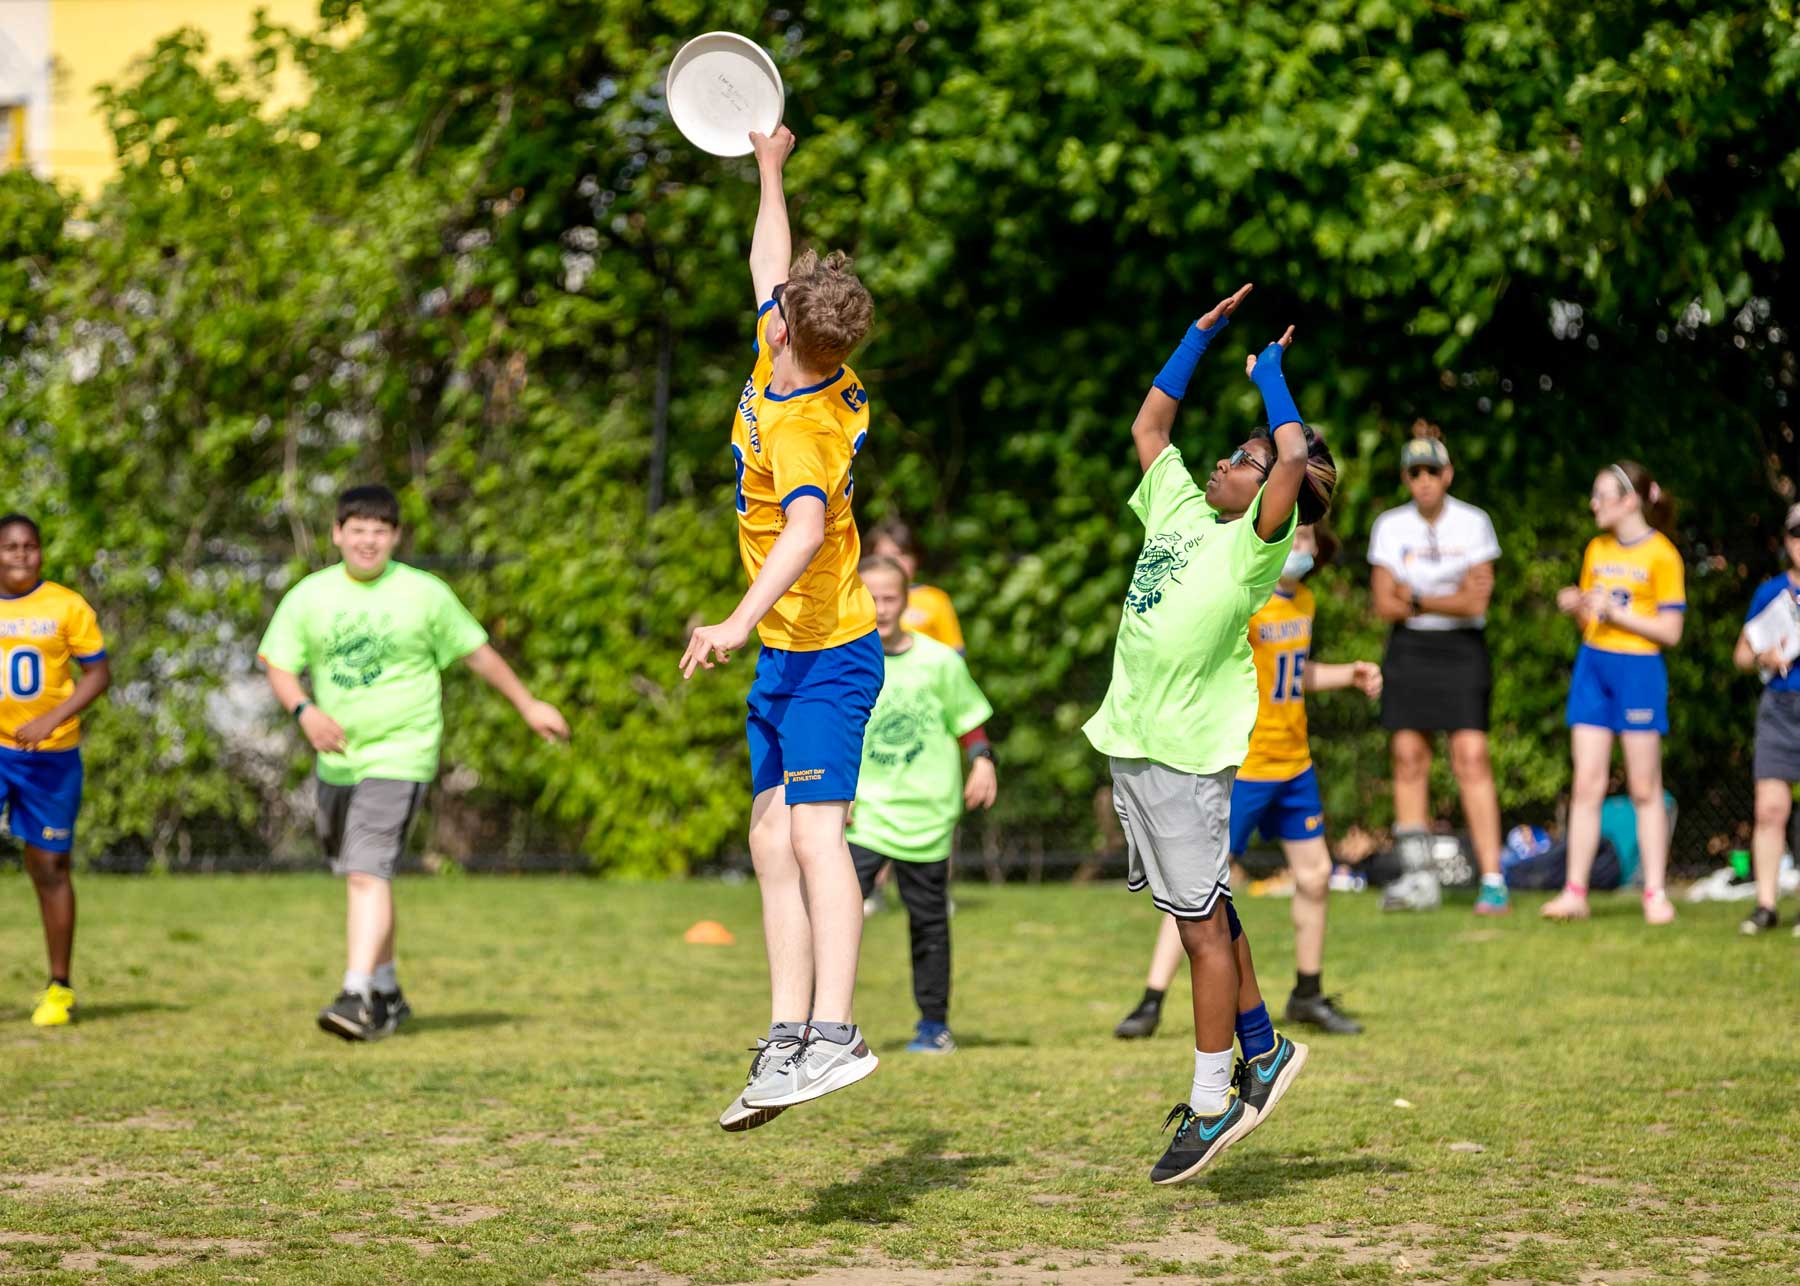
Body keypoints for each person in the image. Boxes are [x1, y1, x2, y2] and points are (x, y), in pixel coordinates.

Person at [1082, 281, 1337, 1184]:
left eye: (1245, 457)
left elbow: (1294, 455)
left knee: (1197, 934)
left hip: (1186, 756)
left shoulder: (1254, 543)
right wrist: (1193, 342)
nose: (1227, 460)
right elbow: (1150, 429)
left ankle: (1212, 1101)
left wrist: (1271, 378)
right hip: (1137, 743)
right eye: (1234, 452)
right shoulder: (1180, 507)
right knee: (1209, 910)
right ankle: (1263, 1051)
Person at [679, 126, 882, 1133]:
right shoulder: (792, 355)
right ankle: (787, 1032)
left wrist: (731, 619)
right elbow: (770, 258)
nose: (772, 297)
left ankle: (834, 1032)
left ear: (798, 332)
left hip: (829, 651)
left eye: (784, 302)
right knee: (769, 838)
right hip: (788, 653)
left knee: (813, 834)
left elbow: (804, 528)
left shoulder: (805, 419)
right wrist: (769, 167)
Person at [258, 484, 569, 1041]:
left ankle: (356, 996)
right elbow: (277, 662)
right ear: (337, 534)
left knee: (364, 871)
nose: (368, 540)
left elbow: (477, 653)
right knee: (363, 876)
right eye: (357, 529)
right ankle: (390, 991)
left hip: (404, 751)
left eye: (380, 530)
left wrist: (528, 705)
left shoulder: (425, 595)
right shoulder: (310, 595)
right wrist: (304, 711)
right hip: (337, 761)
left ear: (396, 536)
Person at [1114, 524, 1381, 1042]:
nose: (1301, 549)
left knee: (1316, 875)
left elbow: (1293, 673)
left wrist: (1347, 674)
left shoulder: (1303, 600)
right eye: (1293, 538)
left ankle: (1307, 991)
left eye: (1308, 540)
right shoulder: (1247, 602)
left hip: (1294, 763)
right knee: (1199, 887)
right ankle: (1151, 999)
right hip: (1247, 765)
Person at [845, 555, 997, 1053]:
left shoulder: (939, 661)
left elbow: (969, 719)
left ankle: (934, 1026)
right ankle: (822, 1024)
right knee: (835, 914)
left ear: (907, 602)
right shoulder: (844, 659)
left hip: (927, 814)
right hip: (864, 814)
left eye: (890, 598)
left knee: (928, 922)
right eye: (871, 597)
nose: (881, 608)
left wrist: (982, 761)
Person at [1367, 424, 1509, 914]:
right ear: (1406, 479)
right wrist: (1443, 599)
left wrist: (1420, 596)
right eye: (1414, 472)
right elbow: (1384, 604)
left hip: (1463, 651)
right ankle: (1418, 878)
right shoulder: (1390, 526)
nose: (1423, 480)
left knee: (1472, 756)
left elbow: (1478, 599)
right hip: (1409, 650)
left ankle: (1493, 879)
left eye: (1432, 470)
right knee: (1408, 756)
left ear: (1447, 474)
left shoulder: (1474, 522)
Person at [1544, 462, 1684, 924]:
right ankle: (1575, 892)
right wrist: (1577, 607)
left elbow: (1671, 631)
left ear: (1630, 501)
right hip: (1593, 666)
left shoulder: (1663, 555)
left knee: (1645, 787)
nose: (1593, 504)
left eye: (1601, 495)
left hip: (1639, 671)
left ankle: (1655, 894)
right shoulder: (1595, 548)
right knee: (1586, 782)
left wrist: (1617, 615)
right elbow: (1592, 618)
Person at [0, 515, 111, 1027]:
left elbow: (99, 674)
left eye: (29, 547)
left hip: (52, 756)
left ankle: (59, 988)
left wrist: (52, 718)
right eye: (9, 547)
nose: (20, 555)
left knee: (49, 867)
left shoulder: (67, 605)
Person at [1733, 503, 1800, 935]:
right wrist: (1763, 656)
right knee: (1770, 809)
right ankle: (1766, 905)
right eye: (1797, 533)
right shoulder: (1771, 593)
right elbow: (1741, 654)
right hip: (1779, 708)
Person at [866, 519, 966, 653]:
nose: (894, 563)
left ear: (915, 558)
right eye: (886, 557)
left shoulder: (935, 599)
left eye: (901, 554)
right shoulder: (860, 598)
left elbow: (955, 651)